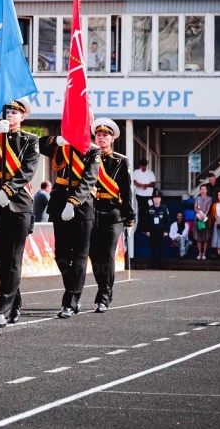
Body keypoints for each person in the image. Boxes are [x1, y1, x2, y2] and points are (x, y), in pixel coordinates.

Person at [0, 98, 39, 328]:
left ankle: (3, 309)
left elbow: (28, 170)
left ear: (23, 116)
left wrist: (8, 189)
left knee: (14, 257)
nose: (10, 115)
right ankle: (15, 300)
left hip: (19, 203)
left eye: (15, 112)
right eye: (8, 111)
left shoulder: (30, 140)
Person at [39, 129, 100, 318]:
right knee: (61, 255)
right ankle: (72, 288)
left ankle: (71, 300)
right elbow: (39, 145)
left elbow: (89, 178)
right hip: (59, 203)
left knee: (80, 256)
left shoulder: (93, 150)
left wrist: (73, 202)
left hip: (81, 206)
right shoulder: (62, 147)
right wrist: (57, 139)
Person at [89, 118, 134, 312]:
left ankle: (104, 296)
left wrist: (129, 215)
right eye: (98, 135)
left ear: (112, 139)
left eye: (105, 135)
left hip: (112, 212)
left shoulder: (120, 161)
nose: (101, 138)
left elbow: (126, 190)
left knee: (107, 255)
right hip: (91, 210)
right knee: (94, 256)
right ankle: (102, 288)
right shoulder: (88, 157)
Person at [145, 190, 171, 269]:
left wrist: (166, 231)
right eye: (155, 198)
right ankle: (153, 265)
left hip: (161, 231)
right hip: (152, 231)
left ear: (160, 199)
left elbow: (167, 221)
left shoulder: (164, 208)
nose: (156, 199)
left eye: (158, 198)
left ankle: (160, 265)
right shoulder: (149, 209)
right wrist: (147, 230)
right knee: (153, 249)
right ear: (153, 199)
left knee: (161, 249)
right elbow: (146, 221)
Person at [132, 158, 156, 232]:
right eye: (142, 166)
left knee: (150, 210)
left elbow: (153, 183)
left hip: (148, 195)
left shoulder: (150, 173)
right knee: (141, 211)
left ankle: (149, 227)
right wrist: (141, 185)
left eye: (145, 166)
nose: (143, 168)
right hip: (139, 195)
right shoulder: (136, 172)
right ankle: (141, 227)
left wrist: (146, 185)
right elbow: (134, 181)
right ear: (140, 165)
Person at [193, 184, 212, 259]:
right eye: (202, 189)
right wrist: (200, 214)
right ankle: (199, 253)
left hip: (205, 219)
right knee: (199, 237)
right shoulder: (197, 198)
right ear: (200, 190)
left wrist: (204, 215)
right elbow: (195, 207)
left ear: (206, 190)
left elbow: (208, 208)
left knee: (205, 237)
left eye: (204, 189)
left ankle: (204, 253)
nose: (203, 191)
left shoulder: (209, 199)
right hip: (198, 218)